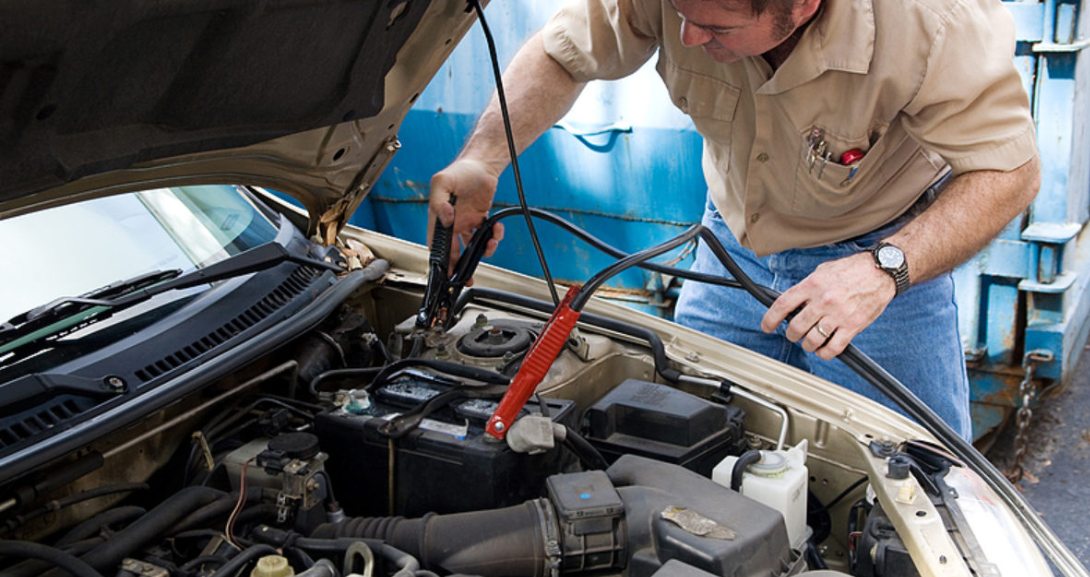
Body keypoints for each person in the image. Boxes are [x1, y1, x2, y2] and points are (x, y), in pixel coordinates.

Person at [427, 0, 1041, 439]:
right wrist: (484, 157)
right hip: (731, 251)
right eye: (679, 14)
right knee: (684, 442)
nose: (686, 36)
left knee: (920, 481)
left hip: (882, 268)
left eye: (713, 25)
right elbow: (564, 55)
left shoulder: (934, 20)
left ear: (802, 7)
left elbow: (1009, 172)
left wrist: (884, 270)